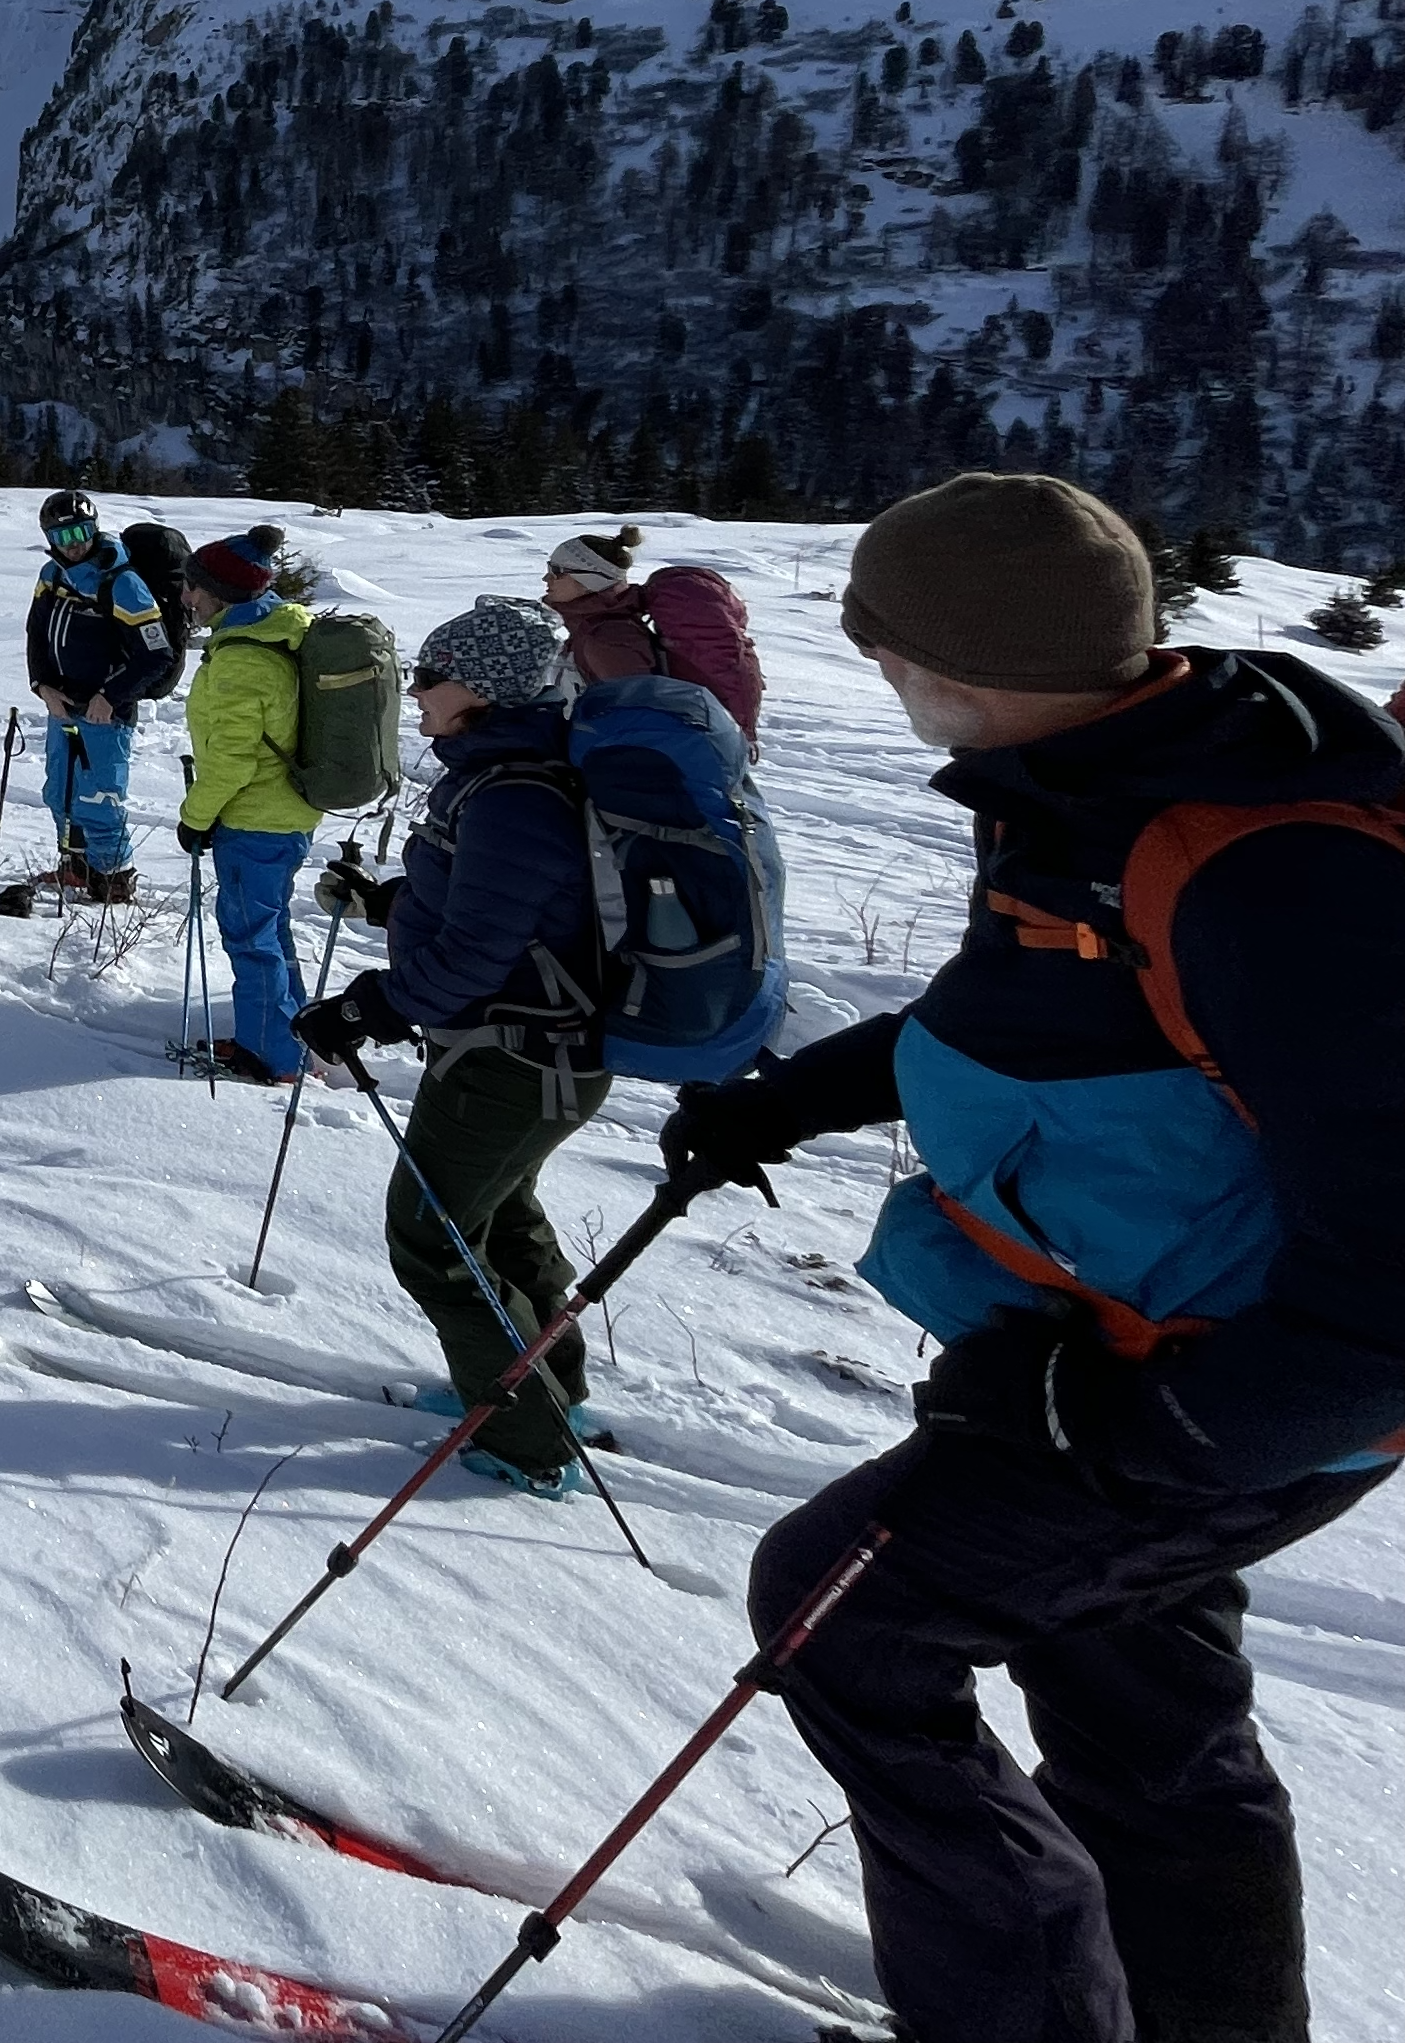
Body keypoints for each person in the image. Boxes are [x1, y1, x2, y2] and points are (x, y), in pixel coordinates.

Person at [658, 472, 1405, 2043]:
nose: (875, 676)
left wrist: (1136, 1437)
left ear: (957, 667)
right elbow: (1028, 1016)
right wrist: (793, 1098)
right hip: (1109, 1347)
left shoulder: (1269, 875)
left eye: (884, 651)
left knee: (839, 1615)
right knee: (1137, 1701)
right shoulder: (1094, 774)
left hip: (1224, 1395)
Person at [296, 594, 617, 1498]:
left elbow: (479, 954)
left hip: (514, 1060)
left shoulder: (515, 792)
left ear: (480, 686)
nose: (417, 693)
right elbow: (496, 913)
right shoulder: (503, 773)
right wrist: (385, 901)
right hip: (525, 1053)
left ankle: (522, 1437)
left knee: (430, 1234)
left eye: (428, 678)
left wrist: (365, 1011)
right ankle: (542, 1391)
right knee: (500, 1221)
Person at [172, 525, 320, 1085]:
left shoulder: (242, 662)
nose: (187, 597)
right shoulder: (271, 635)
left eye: (193, 587)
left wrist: (194, 819)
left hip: (254, 819)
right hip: (282, 815)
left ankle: (270, 1056)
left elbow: (231, 761)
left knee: (250, 937)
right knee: (270, 928)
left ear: (220, 593)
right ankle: (292, 1037)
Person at [22, 489, 181, 903]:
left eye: (82, 530)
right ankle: (76, 868)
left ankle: (113, 880)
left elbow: (157, 653)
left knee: (99, 799)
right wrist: (41, 684)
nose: (74, 542)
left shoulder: (122, 582)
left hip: (106, 712)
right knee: (61, 791)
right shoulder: (52, 575)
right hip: (62, 703)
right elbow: (37, 633)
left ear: (95, 528)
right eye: (63, 535)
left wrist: (110, 697)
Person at [544, 525, 767, 747]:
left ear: (590, 580)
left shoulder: (608, 639)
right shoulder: (594, 627)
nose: (547, 578)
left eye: (557, 571)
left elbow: (640, 720)